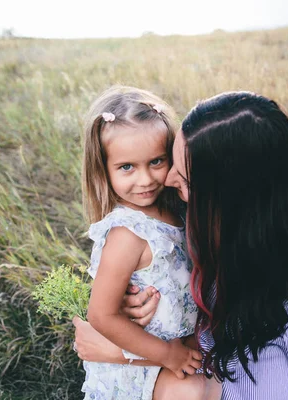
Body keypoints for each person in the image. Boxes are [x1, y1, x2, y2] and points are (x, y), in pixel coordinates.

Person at [73, 91, 288, 399]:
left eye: (182, 177)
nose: (162, 179)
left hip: (228, 361)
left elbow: (219, 339)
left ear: (228, 197)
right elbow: (105, 309)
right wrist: (129, 307)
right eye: (128, 167)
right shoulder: (142, 226)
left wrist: (120, 351)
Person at [79, 86, 211, 400]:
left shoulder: (176, 210)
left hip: (174, 353)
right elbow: (101, 315)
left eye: (156, 161)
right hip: (137, 367)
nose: (145, 179)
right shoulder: (128, 233)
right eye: (127, 167)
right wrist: (167, 354)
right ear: (104, 170)